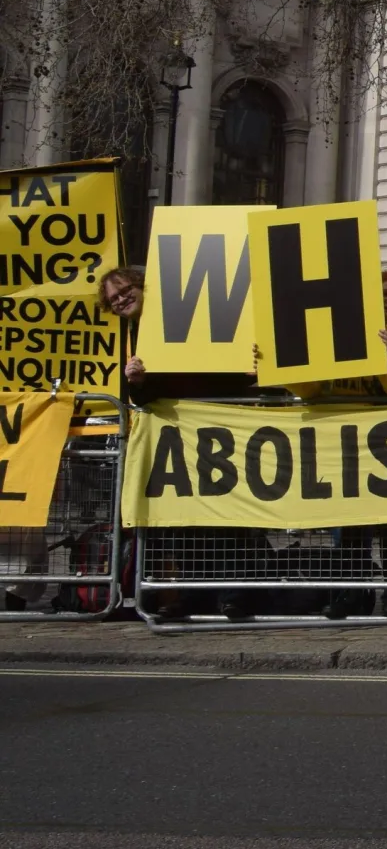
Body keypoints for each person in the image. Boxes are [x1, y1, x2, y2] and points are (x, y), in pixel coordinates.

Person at [108, 265, 270, 620]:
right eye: (113, 298)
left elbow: (221, 371)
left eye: (125, 290)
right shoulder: (124, 339)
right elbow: (139, 397)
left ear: (143, 287)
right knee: (180, 520)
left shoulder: (194, 318)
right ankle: (191, 596)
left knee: (226, 517)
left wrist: (252, 373)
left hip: (217, 429)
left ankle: (232, 597)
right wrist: (135, 382)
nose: (121, 299)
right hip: (170, 438)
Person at [292, 270, 387, 619]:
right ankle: (348, 594)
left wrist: (379, 352)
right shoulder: (338, 333)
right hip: (342, 442)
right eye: (385, 294)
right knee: (348, 526)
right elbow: (311, 388)